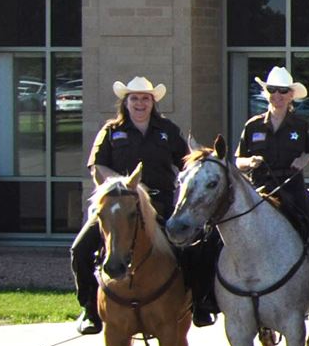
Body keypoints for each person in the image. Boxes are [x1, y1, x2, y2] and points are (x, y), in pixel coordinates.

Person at [73, 75, 214, 331]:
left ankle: (200, 305)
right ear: (126, 103)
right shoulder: (111, 131)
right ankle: (89, 310)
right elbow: (97, 165)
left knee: (194, 249)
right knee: (80, 250)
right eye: (135, 99)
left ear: (153, 103)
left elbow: (186, 161)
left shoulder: (167, 130)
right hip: (117, 207)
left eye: (145, 99)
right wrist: (125, 185)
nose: (140, 103)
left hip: (158, 205)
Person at [233, 66, 309, 318]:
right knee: (225, 232)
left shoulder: (302, 125)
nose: (277, 95)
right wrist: (248, 163)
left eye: (283, 91)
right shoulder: (252, 126)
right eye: (272, 90)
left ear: (291, 95)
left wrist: (306, 157)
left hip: (292, 188)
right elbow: (237, 159)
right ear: (267, 94)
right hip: (259, 190)